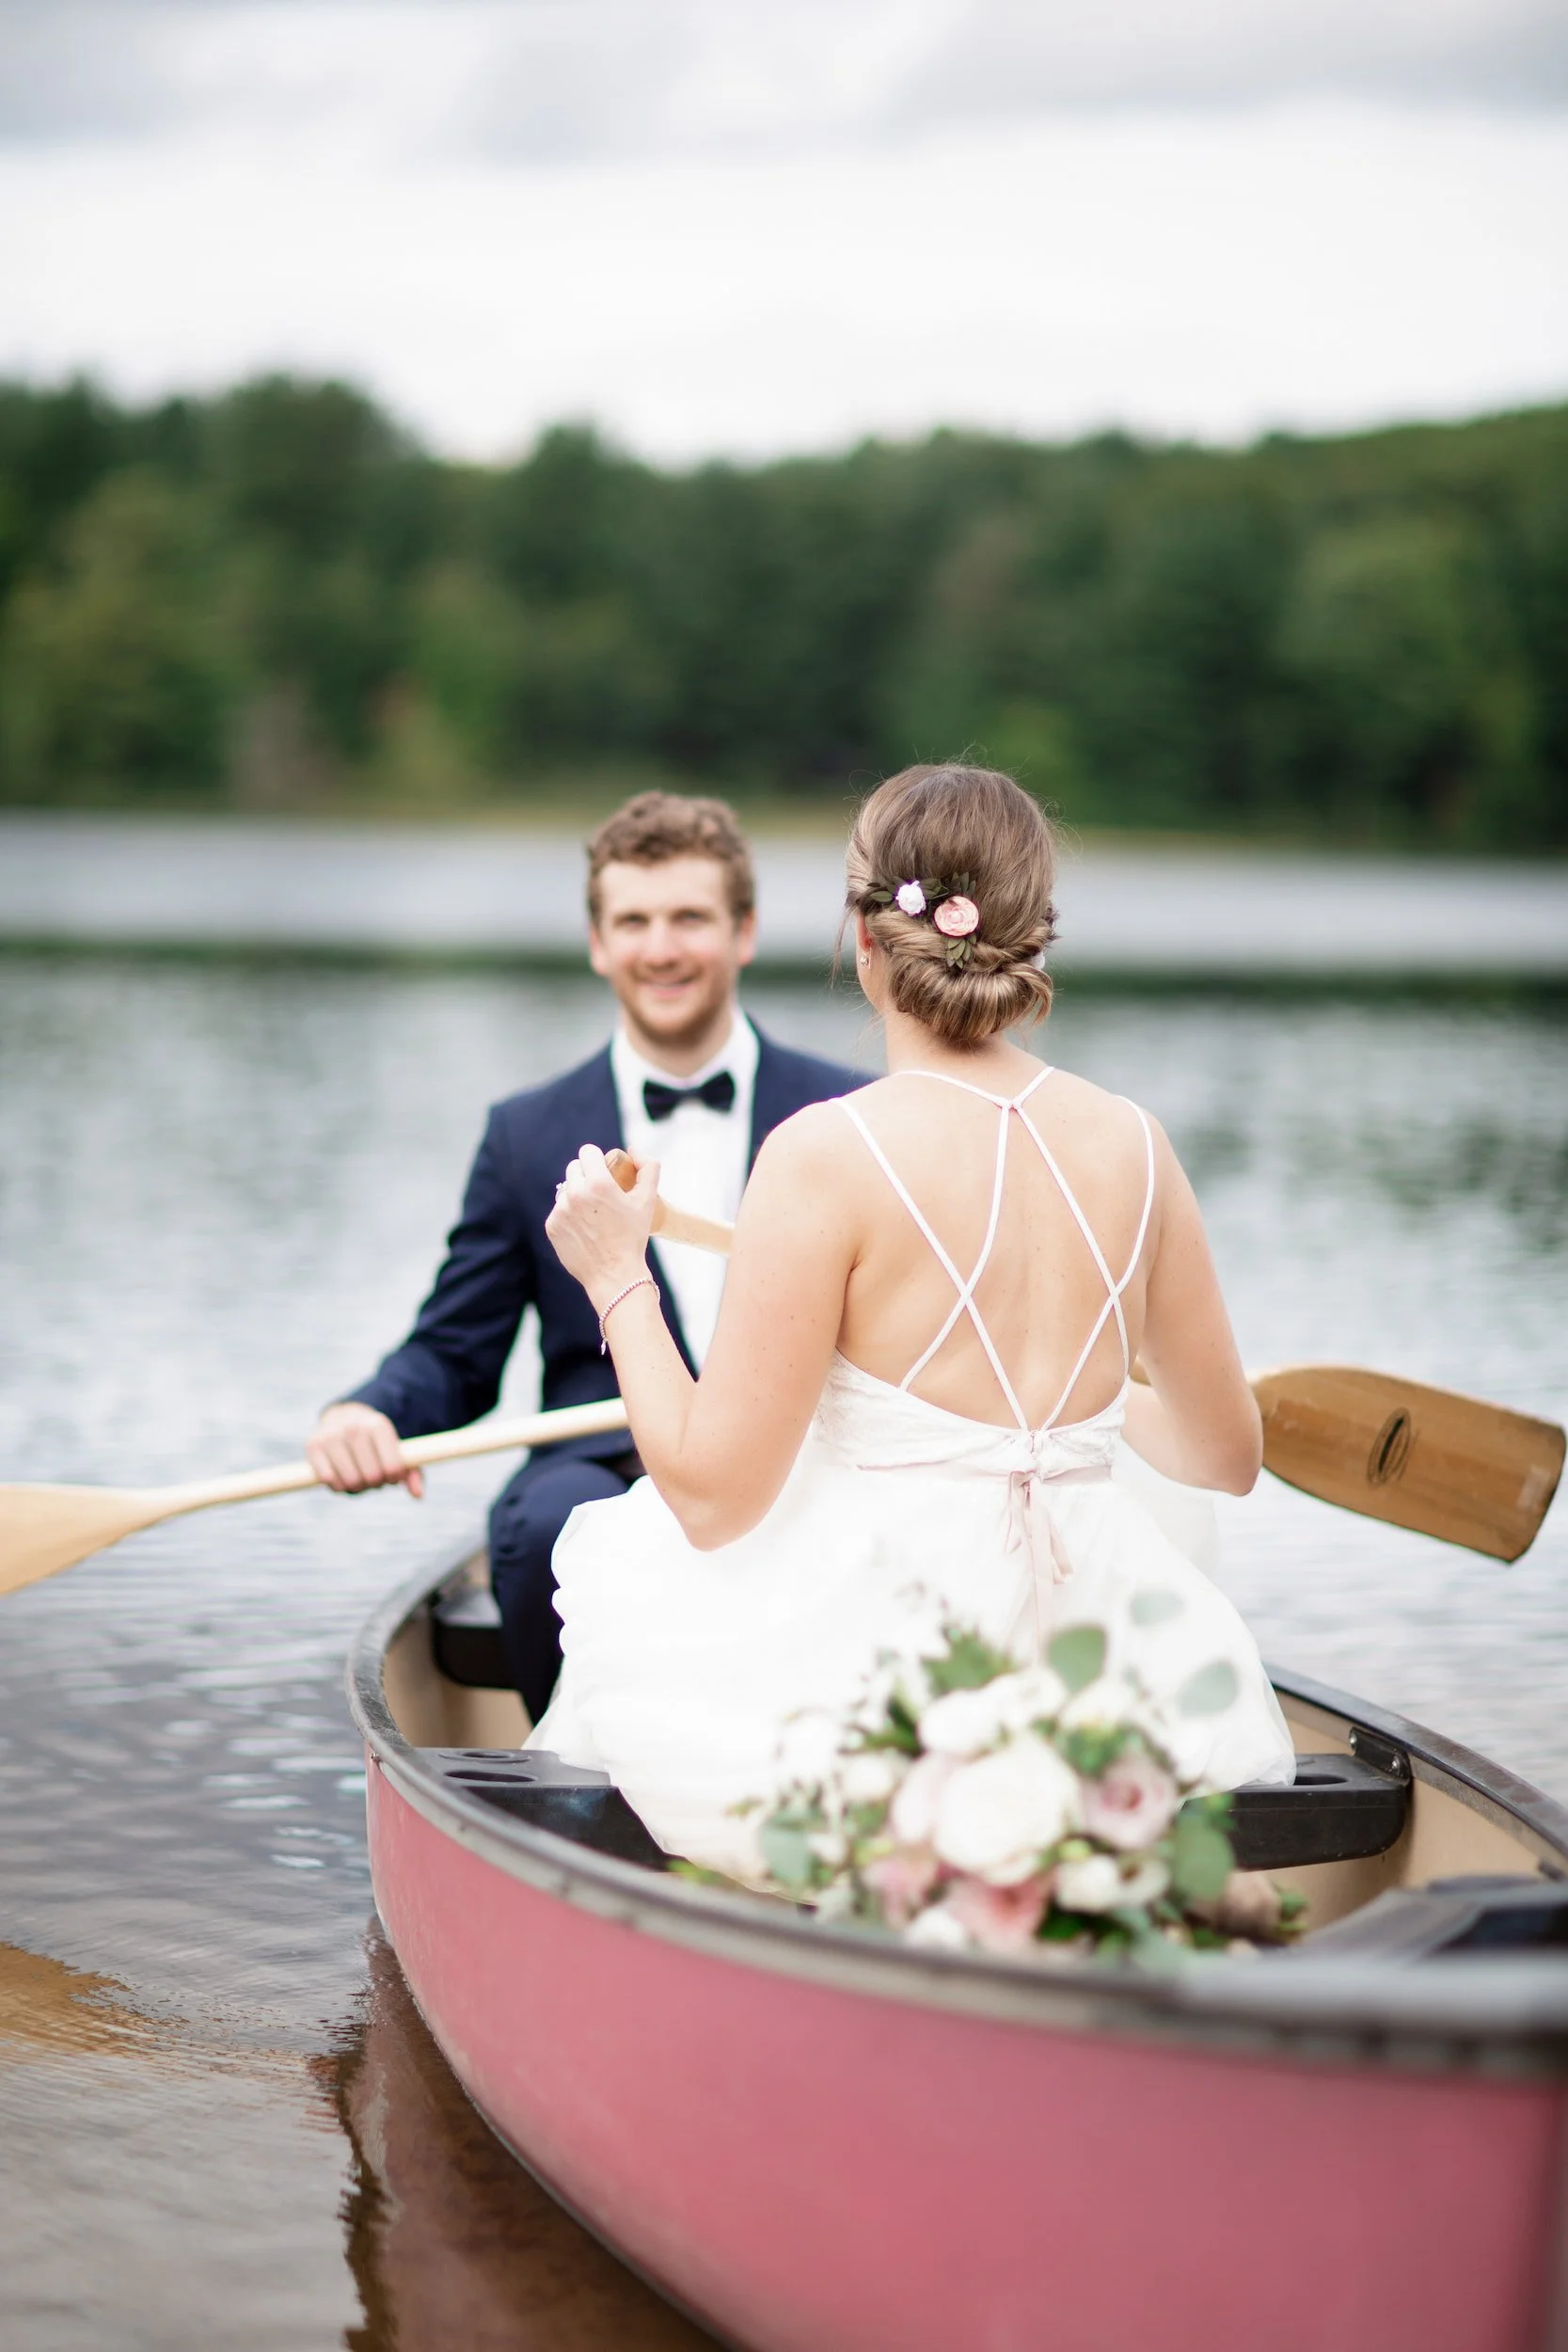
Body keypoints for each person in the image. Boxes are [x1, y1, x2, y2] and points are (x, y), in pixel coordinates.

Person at [535, 762, 1294, 1883]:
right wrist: (1069, 1402)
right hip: (1109, 1651)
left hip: (889, 1648)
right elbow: (1225, 1458)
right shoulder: (1137, 1144)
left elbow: (709, 1495)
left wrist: (617, 1277)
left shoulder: (823, 1154)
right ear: (1036, 936)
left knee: (628, 1569)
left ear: (861, 936)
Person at [306, 791, 863, 1718]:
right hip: (598, 1462)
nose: (660, 948)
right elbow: (455, 1351)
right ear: (598, 941)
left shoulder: (847, 1115)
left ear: (744, 931)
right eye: (633, 921)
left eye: (689, 917)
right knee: (542, 1524)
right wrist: (364, 1410)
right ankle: (565, 1792)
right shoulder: (525, 1134)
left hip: (804, 1448)